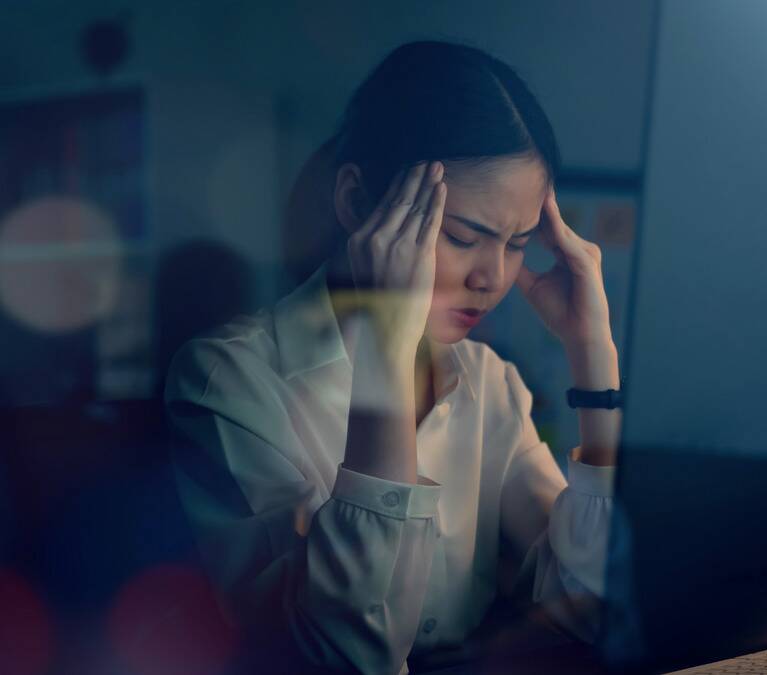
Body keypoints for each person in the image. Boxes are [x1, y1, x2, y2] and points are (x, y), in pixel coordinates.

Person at [164, 41, 621, 675]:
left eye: (517, 244)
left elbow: (584, 609)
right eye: (462, 236)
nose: (492, 276)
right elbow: (350, 652)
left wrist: (593, 362)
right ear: (356, 204)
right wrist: (385, 350)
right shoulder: (226, 382)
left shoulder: (491, 384)